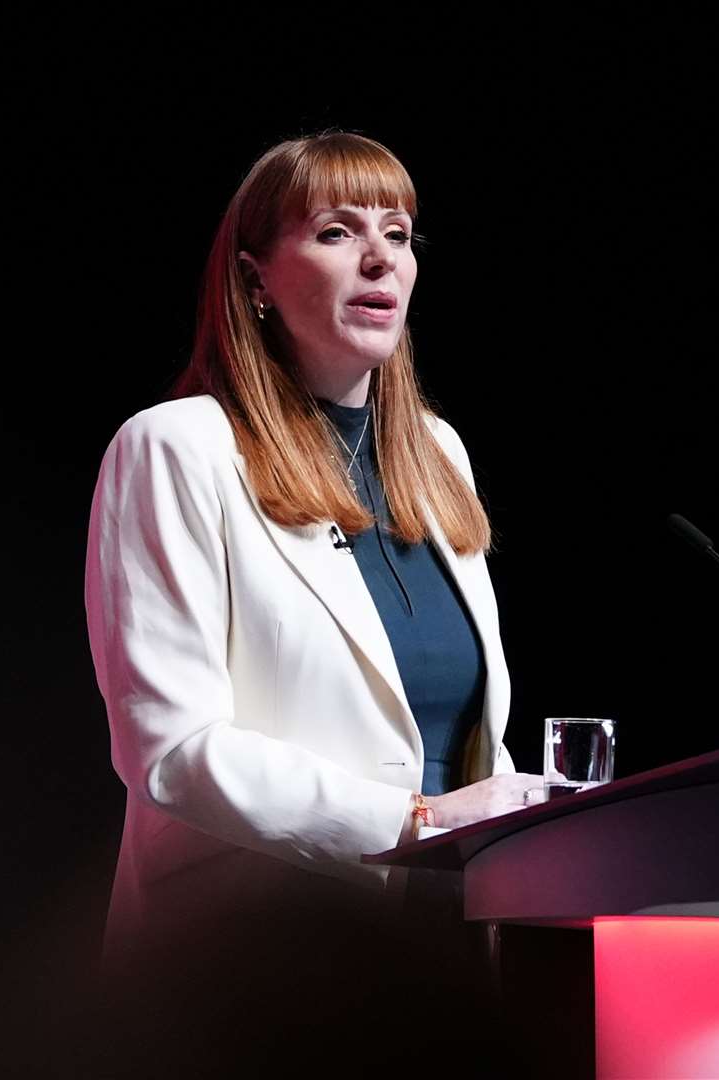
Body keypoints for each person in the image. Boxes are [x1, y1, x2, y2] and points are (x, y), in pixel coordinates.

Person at [82, 131, 542, 1073]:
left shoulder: (438, 459)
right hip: (245, 988)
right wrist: (413, 824)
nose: (382, 257)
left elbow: (462, 741)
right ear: (255, 280)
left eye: (400, 234)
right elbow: (171, 752)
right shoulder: (176, 449)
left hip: (437, 976)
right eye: (338, 231)